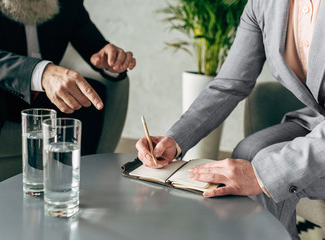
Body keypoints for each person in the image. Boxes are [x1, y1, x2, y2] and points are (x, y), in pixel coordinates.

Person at [136, 0, 325, 239]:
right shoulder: (262, 5)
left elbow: (266, 171)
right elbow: (229, 84)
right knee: (248, 152)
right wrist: (175, 139)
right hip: (317, 120)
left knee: (266, 167)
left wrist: (263, 174)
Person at [0, 0, 136, 201]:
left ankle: (72, 196)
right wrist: (42, 73)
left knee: (89, 96)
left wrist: (111, 61)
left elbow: (94, 46)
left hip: (44, 97)